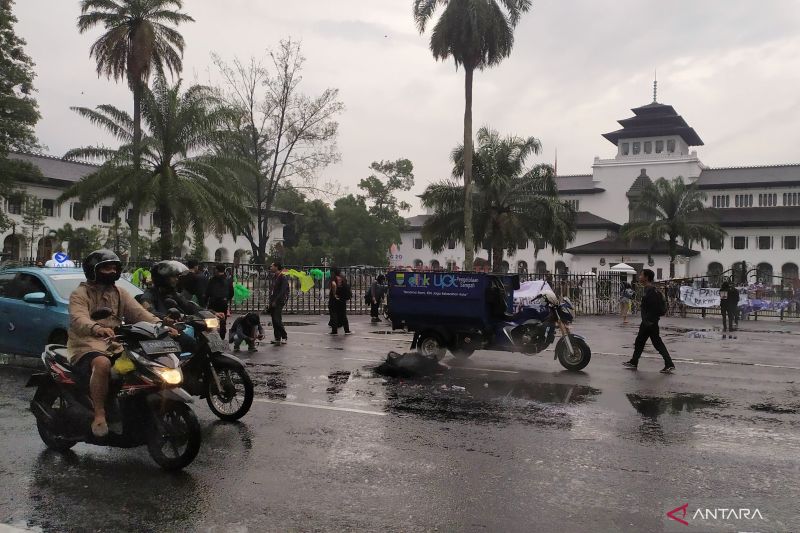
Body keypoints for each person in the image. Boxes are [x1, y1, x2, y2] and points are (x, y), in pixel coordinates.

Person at [67, 250, 171, 438]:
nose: (112, 271)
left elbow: (139, 313)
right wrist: (95, 327)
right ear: (93, 271)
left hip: (115, 342)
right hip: (86, 343)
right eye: (107, 267)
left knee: (139, 363)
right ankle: (99, 414)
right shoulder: (80, 294)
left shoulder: (120, 292)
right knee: (102, 364)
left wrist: (160, 325)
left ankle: (130, 409)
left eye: (114, 267)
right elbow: (78, 317)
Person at [138, 260, 201, 353]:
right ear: (162, 278)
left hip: (174, 328)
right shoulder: (149, 295)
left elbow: (188, 305)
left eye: (177, 276)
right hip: (159, 331)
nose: (176, 279)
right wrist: (165, 317)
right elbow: (148, 311)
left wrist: (210, 312)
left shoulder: (173, 294)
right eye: (173, 277)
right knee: (190, 343)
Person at [622, 269, 675, 373]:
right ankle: (634, 361)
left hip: (650, 323)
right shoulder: (648, 289)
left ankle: (669, 364)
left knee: (656, 343)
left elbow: (653, 308)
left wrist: (649, 321)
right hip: (648, 322)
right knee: (640, 342)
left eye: (641, 275)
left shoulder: (651, 291)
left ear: (646, 277)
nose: (639, 276)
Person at [204, 263, 233, 339]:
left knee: (212, 321)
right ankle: (222, 339)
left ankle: (213, 338)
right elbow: (231, 293)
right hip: (223, 303)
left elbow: (207, 292)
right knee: (223, 322)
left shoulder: (212, 280)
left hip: (213, 303)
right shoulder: (228, 280)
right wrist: (226, 299)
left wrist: (205, 302)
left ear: (216, 270)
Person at [268, 261, 289, 345]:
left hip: (279, 301)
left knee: (277, 320)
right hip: (273, 301)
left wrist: (276, 301)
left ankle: (284, 336)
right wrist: (271, 300)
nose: (270, 268)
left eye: (272, 266)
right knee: (274, 320)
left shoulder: (282, 277)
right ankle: (277, 337)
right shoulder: (274, 277)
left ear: (276, 267)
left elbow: (283, 291)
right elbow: (273, 290)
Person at [328, 266, 351, 335]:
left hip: (335, 299)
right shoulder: (343, 278)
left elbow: (334, 285)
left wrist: (334, 294)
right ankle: (347, 330)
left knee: (333, 314)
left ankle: (334, 331)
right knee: (343, 315)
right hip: (342, 299)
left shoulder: (334, 278)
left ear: (333, 272)